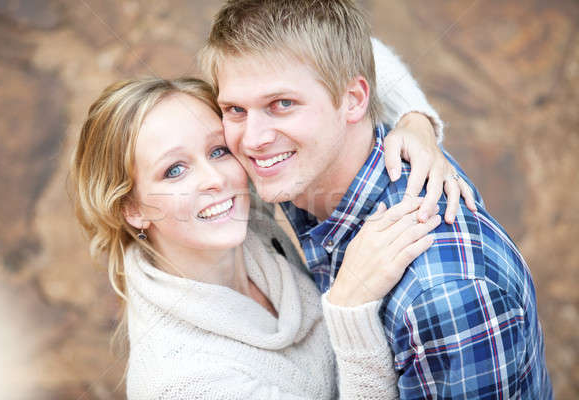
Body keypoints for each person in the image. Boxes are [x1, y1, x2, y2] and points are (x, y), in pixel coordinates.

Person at [201, 0, 553, 398]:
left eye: (282, 104)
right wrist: (416, 115)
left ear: (354, 100)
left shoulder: (441, 293)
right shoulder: (310, 173)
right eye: (234, 109)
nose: (253, 139)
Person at [70, 77, 443, 399]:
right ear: (131, 209)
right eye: (175, 170)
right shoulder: (182, 382)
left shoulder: (246, 220)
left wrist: (416, 122)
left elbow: (340, 57)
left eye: (218, 150)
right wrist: (349, 306)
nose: (216, 179)